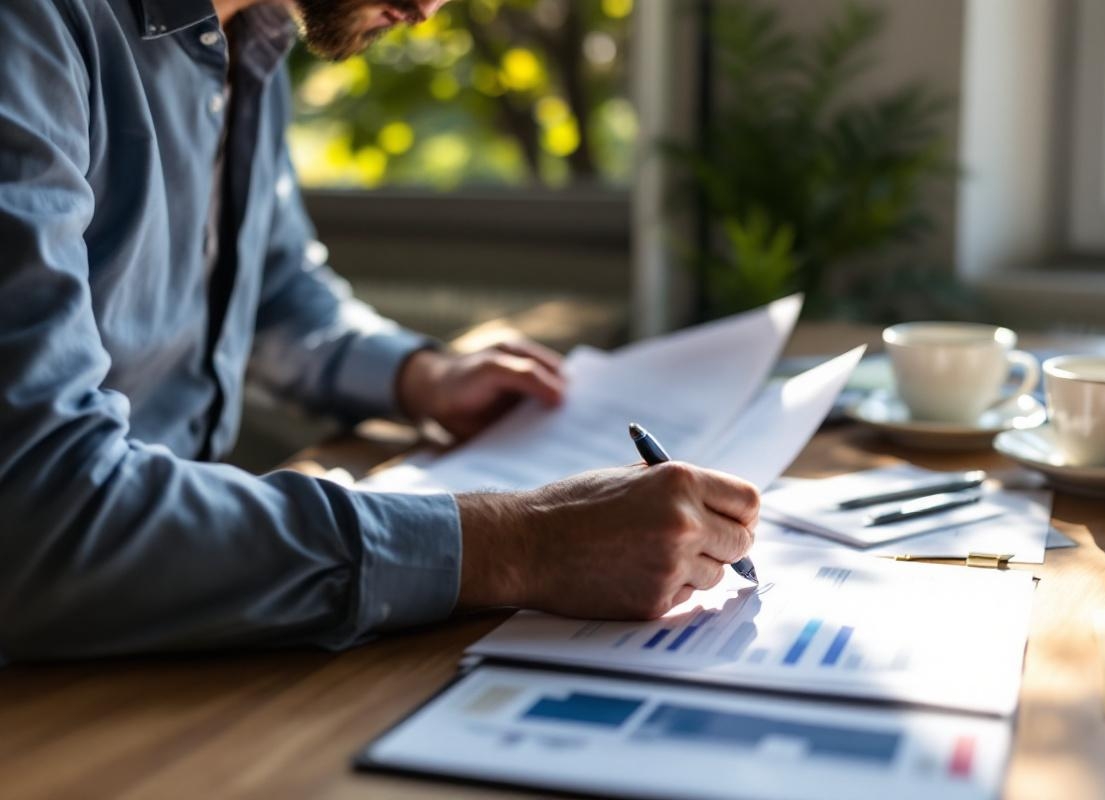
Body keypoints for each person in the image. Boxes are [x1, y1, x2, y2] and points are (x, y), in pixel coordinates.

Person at [0, 0, 758, 664]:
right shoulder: (29, 31)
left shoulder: (251, 36)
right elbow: (42, 512)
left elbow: (269, 290)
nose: (429, 9)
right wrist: (523, 545)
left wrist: (420, 376)